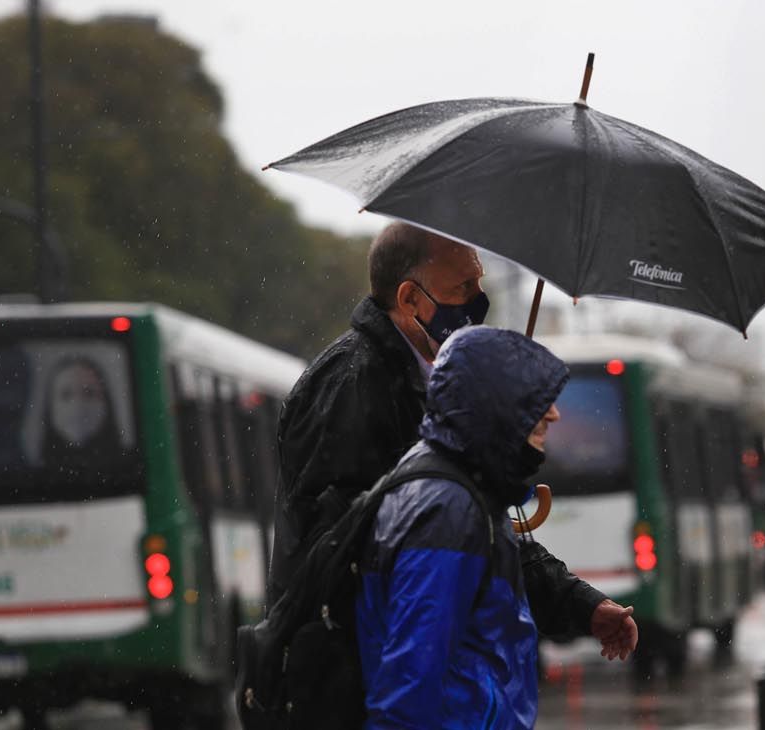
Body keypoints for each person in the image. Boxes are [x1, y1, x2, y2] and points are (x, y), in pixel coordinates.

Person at [269, 221, 637, 651]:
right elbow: (362, 551)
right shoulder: (353, 386)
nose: (479, 301)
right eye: (464, 287)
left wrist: (581, 605)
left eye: (480, 284)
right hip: (361, 677)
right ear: (409, 299)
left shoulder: (430, 382)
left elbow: (472, 527)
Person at [356, 326, 606, 728]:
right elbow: (410, 680)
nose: (554, 413)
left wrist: (583, 606)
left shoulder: (460, 487)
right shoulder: (448, 511)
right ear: (497, 406)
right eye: (535, 399)